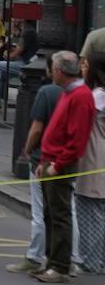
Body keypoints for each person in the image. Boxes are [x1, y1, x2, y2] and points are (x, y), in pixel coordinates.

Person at [7, 65, 84, 275]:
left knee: (43, 213)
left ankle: (36, 256)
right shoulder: (77, 93)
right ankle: (71, 259)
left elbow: (37, 127)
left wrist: (27, 149)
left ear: (54, 70)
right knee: (68, 211)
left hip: (47, 161)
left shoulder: (48, 92)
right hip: (67, 161)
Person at [36, 52, 97, 283]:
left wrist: (57, 164)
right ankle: (52, 262)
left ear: (59, 72)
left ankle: (60, 266)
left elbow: (76, 138)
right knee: (51, 214)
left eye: (52, 69)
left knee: (59, 215)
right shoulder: (71, 92)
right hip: (51, 161)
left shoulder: (80, 96)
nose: (50, 72)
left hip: (59, 163)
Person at [74, 57, 105, 276]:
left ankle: (92, 260)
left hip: (94, 156)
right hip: (97, 154)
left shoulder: (97, 96)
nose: (81, 69)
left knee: (90, 209)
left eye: (85, 66)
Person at [0, 18, 36, 110]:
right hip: (21, 63)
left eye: (15, 19)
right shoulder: (22, 32)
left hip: (26, 65)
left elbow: (17, 51)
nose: (12, 20)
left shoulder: (28, 32)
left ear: (22, 19)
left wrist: (8, 56)